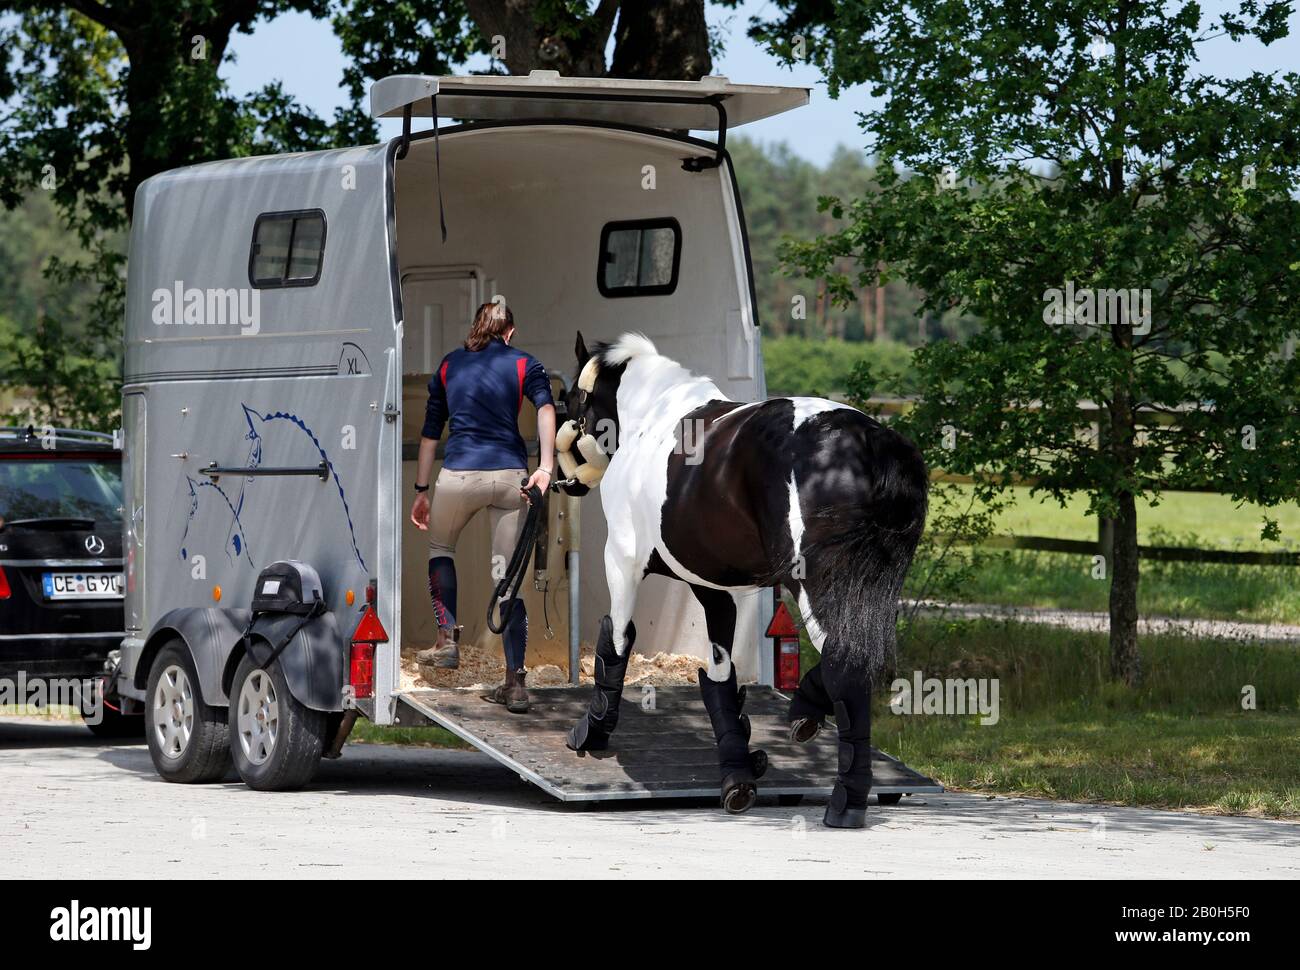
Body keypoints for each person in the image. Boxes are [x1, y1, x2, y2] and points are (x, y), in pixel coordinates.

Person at [409, 301, 555, 714]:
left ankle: (445, 641)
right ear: (509, 333)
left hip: (459, 476)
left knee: (441, 549)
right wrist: (544, 467)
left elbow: (430, 434)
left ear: (478, 327)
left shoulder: (448, 365)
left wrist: (421, 490)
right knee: (507, 581)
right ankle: (516, 683)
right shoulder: (526, 363)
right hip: (510, 476)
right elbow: (546, 407)